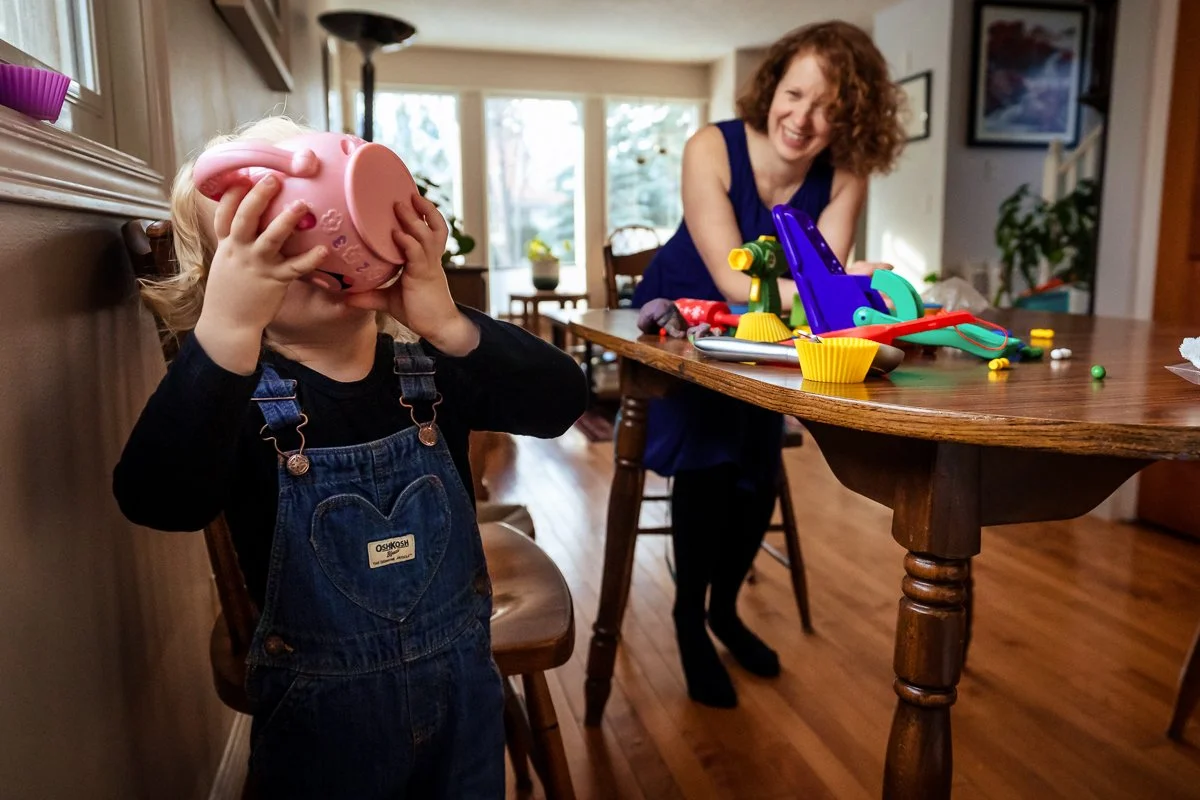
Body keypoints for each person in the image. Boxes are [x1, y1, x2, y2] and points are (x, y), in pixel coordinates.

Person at [112, 116, 588, 798]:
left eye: (316, 217)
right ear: (222, 282)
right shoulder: (238, 402)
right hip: (321, 740)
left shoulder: (428, 370)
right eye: (262, 239)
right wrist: (226, 332)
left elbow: (560, 401)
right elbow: (157, 498)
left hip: (464, 714)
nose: (303, 246)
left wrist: (446, 320)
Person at [631, 21, 906, 708]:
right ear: (772, 84)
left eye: (827, 108)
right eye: (794, 94)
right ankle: (689, 621)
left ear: (852, 117)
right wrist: (842, 287)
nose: (802, 119)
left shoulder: (845, 171)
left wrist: (858, 292)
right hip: (688, 322)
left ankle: (724, 610)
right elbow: (735, 281)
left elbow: (823, 293)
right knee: (712, 453)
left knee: (758, 467)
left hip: (772, 334)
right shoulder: (710, 148)